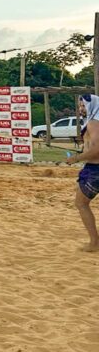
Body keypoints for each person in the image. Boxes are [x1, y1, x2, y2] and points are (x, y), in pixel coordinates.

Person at [67, 93, 99, 251]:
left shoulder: (94, 123)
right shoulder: (92, 121)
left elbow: (97, 150)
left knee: (81, 203)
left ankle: (94, 243)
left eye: (83, 105)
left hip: (95, 170)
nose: (81, 109)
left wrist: (77, 158)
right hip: (93, 168)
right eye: (80, 106)